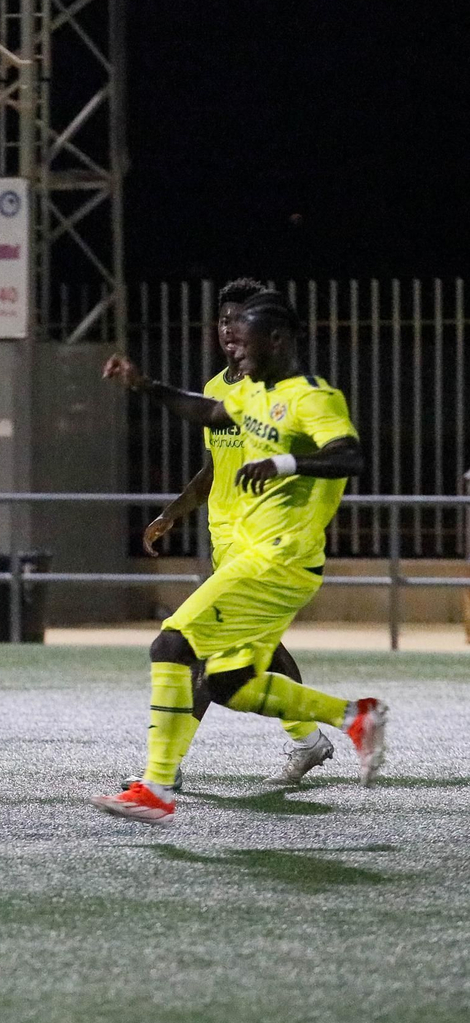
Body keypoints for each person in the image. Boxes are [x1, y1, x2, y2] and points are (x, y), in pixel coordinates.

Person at [94, 291, 387, 825]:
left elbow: (350, 455)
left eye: (246, 342)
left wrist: (284, 461)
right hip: (258, 556)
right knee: (230, 682)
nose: (238, 353)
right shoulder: (252, 392)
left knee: (172, 643)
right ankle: (352, 717)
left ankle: (158, 786)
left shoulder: (311, 396)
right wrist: (145, 386)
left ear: (276, 341)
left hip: (280, 558)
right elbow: (206, 411)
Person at [127, 278, 334, 790]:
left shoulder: (281, 393)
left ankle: (165, 770)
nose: (229, 330)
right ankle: (311, 739)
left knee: (188, 646)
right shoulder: (218, 391)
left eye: (240, 320)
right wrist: (173, 512)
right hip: (228, 545)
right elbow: (215, 467)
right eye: (224, 320)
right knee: (258, 655)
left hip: (265, 549)